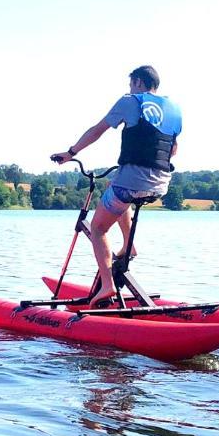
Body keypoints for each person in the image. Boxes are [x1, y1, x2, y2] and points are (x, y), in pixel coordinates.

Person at [52, 65, 181, 306]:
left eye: (131, 83)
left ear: (139, 82)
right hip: (161, 183)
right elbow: (173, 149)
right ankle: (129, 246)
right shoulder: (174, 109)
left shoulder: (130, 101)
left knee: (99, 228)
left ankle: (108, 285)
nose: (130, 88)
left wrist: (71, 153)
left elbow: (97, 130)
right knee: (117, 188)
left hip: (131, 182)